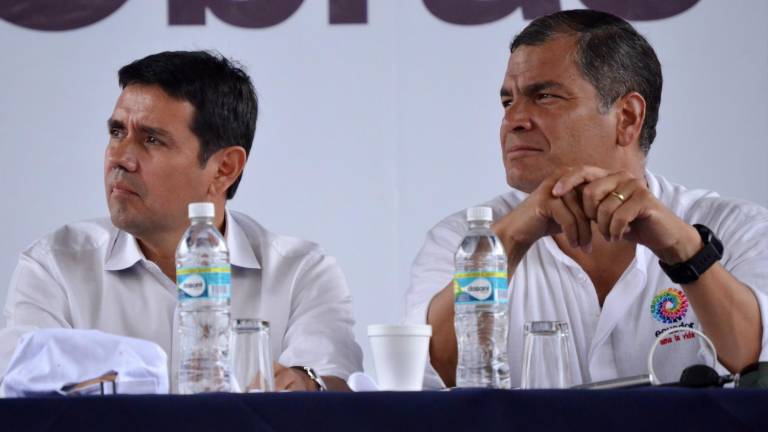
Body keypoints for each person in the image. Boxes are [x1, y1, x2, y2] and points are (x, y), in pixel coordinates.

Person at [406, 10, 768, 388]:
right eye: (507, 101)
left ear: (627, 117)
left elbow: (755, 366)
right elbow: (432, 374)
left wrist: (685, 251)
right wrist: (508, 242)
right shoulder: (462, 239)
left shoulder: (739, 228)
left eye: (544, 96)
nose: (513, 120)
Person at [0, 51, 362, 392]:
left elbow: (331, 387)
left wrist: (305, 383)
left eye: (152, 139)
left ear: (224, 168)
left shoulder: (301, 274)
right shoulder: (55, 266)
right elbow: (22, 391)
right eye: (116, 132)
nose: (119, 158)